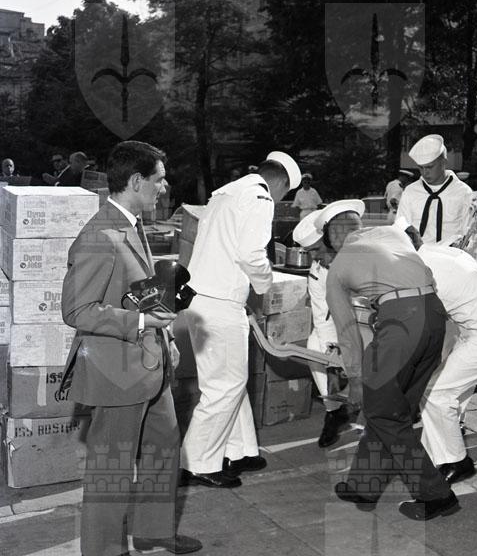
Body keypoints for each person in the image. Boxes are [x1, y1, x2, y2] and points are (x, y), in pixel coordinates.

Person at [60, 141, 201, 556]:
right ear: (136, 181)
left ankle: (153, 532)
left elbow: (138, 293)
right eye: (159, 179)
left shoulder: (131, 224)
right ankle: (104, 549)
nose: (165, 187)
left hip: (150, 363)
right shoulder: (99, 235)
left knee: (164, 445)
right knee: (112, 468)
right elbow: (77, 310)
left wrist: (165, 339)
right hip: (117, 371)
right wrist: (140, 324)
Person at [320, 201, 458, 521]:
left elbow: (347, 331)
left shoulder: (338, 267)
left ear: (333, 240)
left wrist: (356, 379)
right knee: (392, 410)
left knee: (381, 410)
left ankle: (435, 494)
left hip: (401, 324)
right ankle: (363, 485)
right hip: (435, 315)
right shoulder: (392, 233)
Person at [180, 151, 301, 488]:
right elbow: (251, 254)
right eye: (285, 194)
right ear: (281, 184)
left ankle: (240, 451)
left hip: (202, 298)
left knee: (228, 381)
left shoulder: (225, 193)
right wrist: (265, 285)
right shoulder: (260, 198)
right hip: (221, 302)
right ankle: (197, 463)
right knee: (225, 386)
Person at [418, 244, 477, 484]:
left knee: (436, 393)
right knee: (437, 394)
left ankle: (458, 462)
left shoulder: (423, 271)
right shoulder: (435, 252)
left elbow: (426, 326)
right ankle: (431, 458)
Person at [292, 207, 360, 448]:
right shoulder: (318, 271)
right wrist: (332, 354)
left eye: (316, 250)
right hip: (342, 326)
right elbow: (323, 317)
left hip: (371, 325)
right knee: (315, 347)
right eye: (309, 252)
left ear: (332, 241)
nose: (314, 258)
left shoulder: (361, 259)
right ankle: (334, 411)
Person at [395, 135, 477, 263]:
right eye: (421, 167)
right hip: (418, 259)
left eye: (430, 167)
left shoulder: (463, 192)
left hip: (451, 260)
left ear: (444, 162)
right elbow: (400, 227)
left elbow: (471, 235)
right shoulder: (410, 192)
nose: (425, 172)